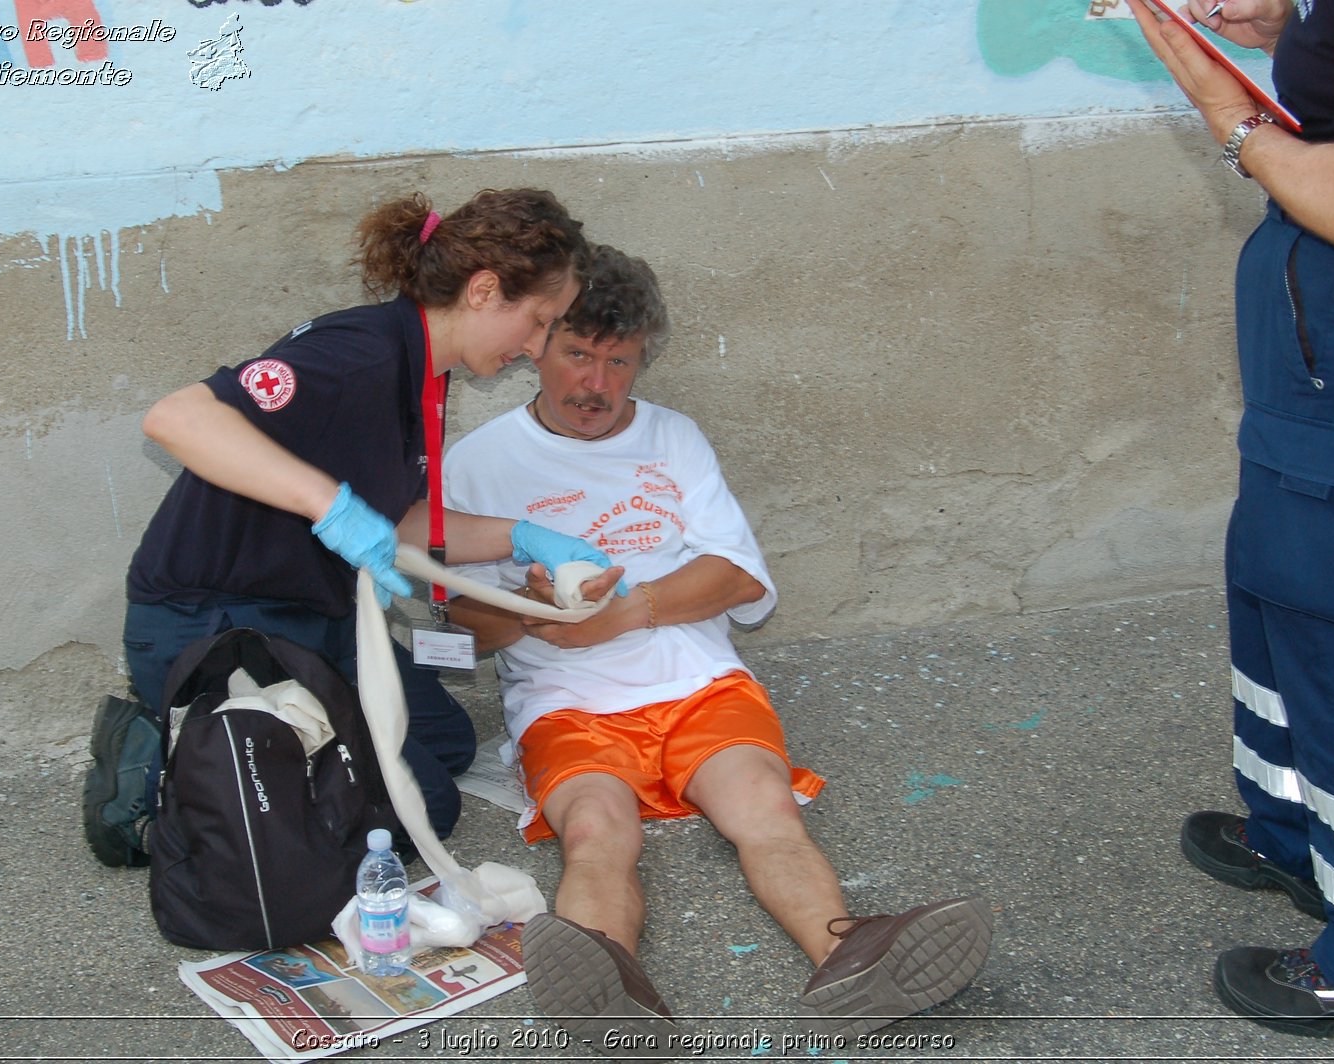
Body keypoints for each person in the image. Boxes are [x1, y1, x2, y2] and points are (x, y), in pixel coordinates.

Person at [442, 246, 992, 1048]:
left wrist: (625, 614)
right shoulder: (481, 462)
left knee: (764, 811)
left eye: (618, 361)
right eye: (577, 355)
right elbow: (459, 629)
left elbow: (736, 577)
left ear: (642, 358)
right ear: (536, 346)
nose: (594, 384)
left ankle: (850, 960)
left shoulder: (674, 437)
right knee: (597, 829)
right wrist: (527, 613)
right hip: (566, 702)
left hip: (698, 681)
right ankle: (608, 988)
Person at [82, 188, 626, 870]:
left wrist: (525, 537)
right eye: (540, 321)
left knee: (447, 741)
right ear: (485, 290)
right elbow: (177, 419)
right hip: (212, 624)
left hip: (314, 614)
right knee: (423, 805)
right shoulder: (358, 355)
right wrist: (328, 505)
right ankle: (183, 777)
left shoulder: (425, 367)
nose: (538, 346)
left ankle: (261, 759)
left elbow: (398, 524)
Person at [1129, 0, 1334, 1048]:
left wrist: (1230, 114)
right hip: (1322, 361)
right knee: (1276, 598)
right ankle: (1296, 837)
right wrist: (1283, 27)